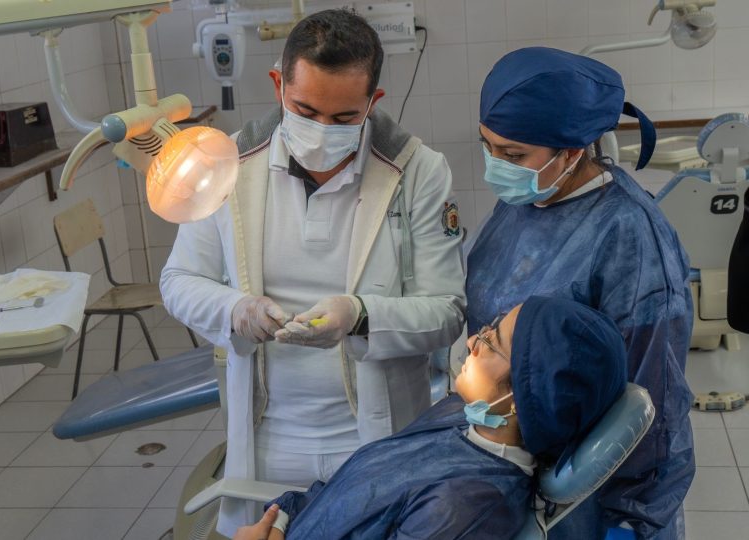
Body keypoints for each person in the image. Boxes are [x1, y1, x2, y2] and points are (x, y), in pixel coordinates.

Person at [159, 8, 465, 536]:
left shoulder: (417, 172)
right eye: (305, 110)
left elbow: (446, 311)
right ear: (279, 85)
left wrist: (361, 316)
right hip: (270, 437)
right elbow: (179, 281)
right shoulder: (228, 165)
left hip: (374, 435)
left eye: (344, 118)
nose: (323, 131)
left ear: (374, 103)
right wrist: (237, 309)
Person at [466, 47, 694, 539]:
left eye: (512, 155)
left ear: (571, 152)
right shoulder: (525, 200)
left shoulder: (630, 238)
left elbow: (655, 401)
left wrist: (631, 521)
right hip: (518, 469)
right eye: (487, 145)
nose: (495, 166)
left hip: (594, 497)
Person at [232, 295, 629, 540]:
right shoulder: (461, 415)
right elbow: (347, 491)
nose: (473, 341)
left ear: (521, 398)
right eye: (489, 328)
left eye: (491, 344)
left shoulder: (467, 507)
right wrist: (280, 519)